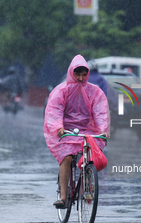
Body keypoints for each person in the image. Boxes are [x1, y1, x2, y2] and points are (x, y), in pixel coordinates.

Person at [44, 54, 109, 209]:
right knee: (66, 158)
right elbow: (55, 110)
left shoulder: (95, 92)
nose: (80, 77)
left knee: (90, 155)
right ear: (71, 72)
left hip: (87, 130)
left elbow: (100, 112)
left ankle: (87, 183)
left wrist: (102, 130)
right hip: (66, 131)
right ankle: (63, 197)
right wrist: (58, 127)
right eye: (77, 74)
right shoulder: (61, 90)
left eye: (84, 74)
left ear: (88, 73)